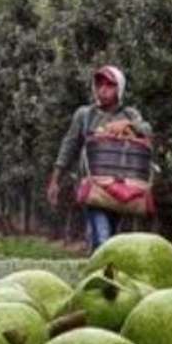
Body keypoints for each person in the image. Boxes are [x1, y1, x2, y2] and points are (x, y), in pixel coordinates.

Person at [47, 64, 152, 250]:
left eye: (109, 85)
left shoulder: (129, 114)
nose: (102, 90)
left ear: (119, 89)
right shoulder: (85, 115)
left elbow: (147, 130)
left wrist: (128, 125)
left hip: (122, 189)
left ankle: (103, 270)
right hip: (95, 186)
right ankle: (103, 269)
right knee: (102, 236)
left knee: (110, 237)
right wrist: (55, 179)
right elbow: (69, 145)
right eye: (99, 85)